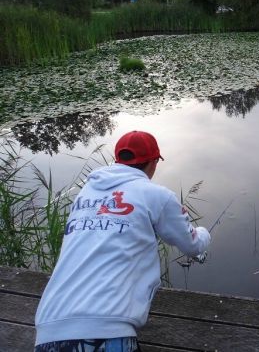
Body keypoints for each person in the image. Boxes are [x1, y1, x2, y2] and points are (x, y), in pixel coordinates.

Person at [34, 131, 211, 352]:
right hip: (105, 333)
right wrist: (204, 233)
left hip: (47, 329)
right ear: (154, 162)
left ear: (118, 160)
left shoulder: (85, 194)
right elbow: (192, 245)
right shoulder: (156, 194)